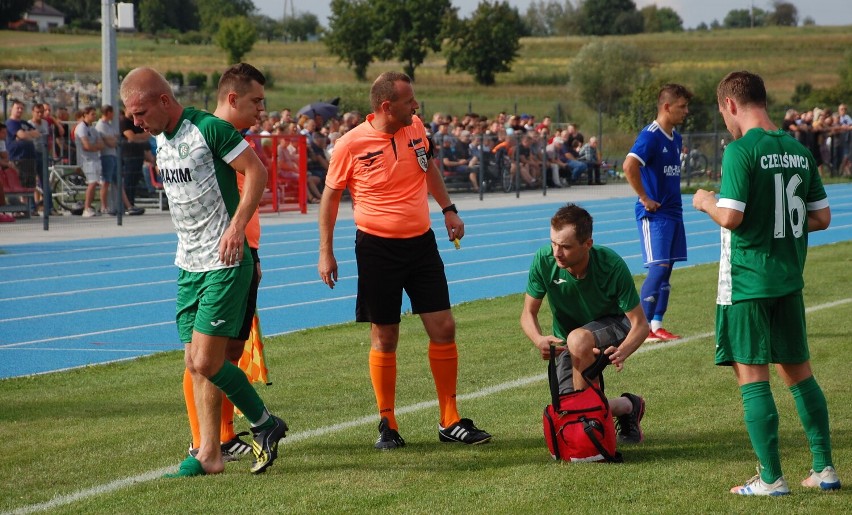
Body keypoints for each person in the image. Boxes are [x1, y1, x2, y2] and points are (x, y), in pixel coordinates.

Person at [120, 66, 286, 477]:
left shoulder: (208, 129)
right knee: (194, 363)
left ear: (163, 100)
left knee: (208, 361)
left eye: (140, 112)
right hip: (188, 265)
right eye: (131, 115)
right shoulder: (159, 137)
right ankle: (209, 452)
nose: (135, 122)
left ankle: (265, 423)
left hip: (225, 262)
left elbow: (257, 171)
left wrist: (235, 227)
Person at [317, 71, 491, 450]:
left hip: (421, 245)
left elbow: (428, 169)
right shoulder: (350, 144)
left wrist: (448, 209)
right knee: (385, 335)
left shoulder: (415, 129)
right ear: (386, 106)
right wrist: (326, 251)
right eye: (409, 100)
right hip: (377, 249)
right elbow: (330, 198)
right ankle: (388, 423)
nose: (416, 106)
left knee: (443, 327)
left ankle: (450, 419)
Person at [693, 70, 839, 496]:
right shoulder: (797, 150)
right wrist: (777, 224)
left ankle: (772, 478)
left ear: (730, 105)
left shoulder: (740, 151)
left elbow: (732, 217)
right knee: (800, 376)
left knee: (752, 376)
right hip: (789, 280)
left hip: (748, 282)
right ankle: (823, 468)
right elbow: (822, 217)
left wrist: (705, 202)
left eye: (723, 112)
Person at [176, 62, 269, 465]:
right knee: (205, 355)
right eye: (256, 101)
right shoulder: (211, 137)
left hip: (240, 255)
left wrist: (254, 251)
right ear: (232, 98)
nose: (263, 110)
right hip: (220, 260)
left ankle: (218, 439)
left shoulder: (233, 137)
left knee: (226, 353)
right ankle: (210, 440)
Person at [520, 203, 648, 444]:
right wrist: (539, 340)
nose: (556, 252)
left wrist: (622, 352)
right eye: (553, 243)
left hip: (615, 325)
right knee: (569, 409)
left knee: (578, 339)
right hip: (569, 340)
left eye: (565, 246)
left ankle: (595, 433)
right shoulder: (544, 260)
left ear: (587, 244)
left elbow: (640, 325)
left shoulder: (611, 265)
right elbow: (528, 313)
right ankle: (629, 406)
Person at [623, 83, 693, 342]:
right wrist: (644, 197)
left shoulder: (677, 138)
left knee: (667, 269)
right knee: (658, 267)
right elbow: (629, 165)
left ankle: (656, 325)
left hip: (674, 213)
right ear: (666, 107)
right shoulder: (651, 135)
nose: (686, 111)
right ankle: (638, 328)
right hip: (655, 215)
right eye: (682, 106)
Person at [95, 105, 144, 216]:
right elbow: (112, 142)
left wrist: (115, 140)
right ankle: (104, 207)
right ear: (108, 112)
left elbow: (116, 139)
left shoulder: (109, 125)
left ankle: (128, 206)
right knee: (106, 182)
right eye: (112, 113)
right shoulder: (101, 125)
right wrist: (115, 141)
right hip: (106, 156)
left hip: (113, 155)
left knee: (119, 182)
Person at [74, 106, 105, 217]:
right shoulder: (81, 128)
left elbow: (101, 144)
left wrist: (95, 146)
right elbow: (86, 146)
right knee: (92, 183)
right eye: (92, 114)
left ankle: (94, 206)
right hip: (86, 160)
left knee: (98, 183)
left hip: (95, 158)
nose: (94, 116)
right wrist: (95, 146)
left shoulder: (92, 128)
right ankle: (86, 208)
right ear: (85, 115)